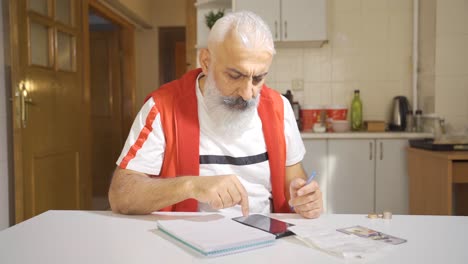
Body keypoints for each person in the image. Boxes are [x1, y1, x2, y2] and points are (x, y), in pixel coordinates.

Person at [109, 11, 323, 219]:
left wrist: (304, 199)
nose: (248, 94)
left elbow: (294, 180)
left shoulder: (280, 108)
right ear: (206, 61)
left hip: (264, 239)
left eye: (258, 78)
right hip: (186, 243)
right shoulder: (162, 107)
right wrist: (191, 185)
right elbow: (121, 196)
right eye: (235, 75)